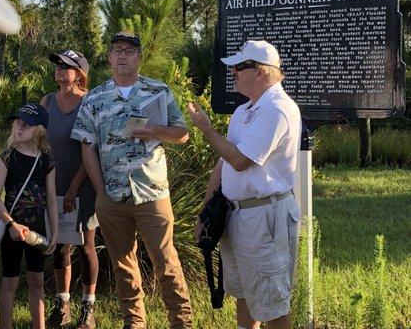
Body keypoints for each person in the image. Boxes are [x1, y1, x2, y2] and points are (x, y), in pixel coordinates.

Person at [71, 32, 193, 329]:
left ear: (139, 57)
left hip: (152, 193)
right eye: (117, 50)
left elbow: (182, 133)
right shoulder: (95, 98)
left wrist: (153, 129)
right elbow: (87, 145)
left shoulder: (158, 91)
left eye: (129, 50)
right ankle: (134, 322)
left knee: (166, 262)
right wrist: (100, 191)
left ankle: (181, 322)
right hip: (111, 197)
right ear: (110, 57)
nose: (123, 55)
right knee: (123, 265)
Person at [187, 40, 302, 329]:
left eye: (239, 67)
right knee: (244, 293)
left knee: (272, 302)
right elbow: (224, 163)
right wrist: (205, 211)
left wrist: (207, 130)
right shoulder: (244, 111)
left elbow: (239, 161)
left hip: (265, 217)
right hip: (237, 215)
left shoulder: (277, 110)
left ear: (262, 72)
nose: (233, 72)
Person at [41, 50, 99, 329]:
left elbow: (93, 150)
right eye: (58, 65)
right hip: (53, 184)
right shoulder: (47, 101)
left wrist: (76, 186)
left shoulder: (89, 103)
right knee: (59, 245)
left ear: (80, 74)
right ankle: (62, 303)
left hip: (83, 185)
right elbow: (38, 142)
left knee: (86, 246)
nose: (60, 70)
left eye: (67, 66)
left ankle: (88, 307)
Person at [0, 103, 58, 329]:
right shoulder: (7, 157)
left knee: (37, 281)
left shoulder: (46, 160)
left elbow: (50, 198)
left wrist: (55, 232)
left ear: (39, 129)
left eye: (25, 124)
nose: (19, 127)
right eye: (17, 122)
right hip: (12, 230)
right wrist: (11, 224)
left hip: (36, 231)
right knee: (10, 282)